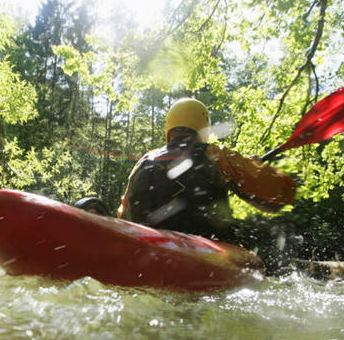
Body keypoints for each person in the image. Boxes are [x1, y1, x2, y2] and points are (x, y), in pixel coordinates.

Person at [117, 98, 296, 240]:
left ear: (169, 129)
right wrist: (256, 168)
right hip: (206, 249)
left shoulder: (145, 160)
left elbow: (125, 216)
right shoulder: (217, 155)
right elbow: (281, 193)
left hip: (149, 249)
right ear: (203, 129)